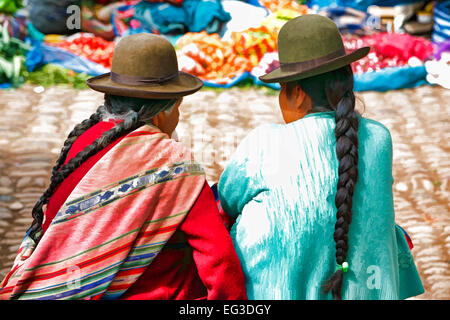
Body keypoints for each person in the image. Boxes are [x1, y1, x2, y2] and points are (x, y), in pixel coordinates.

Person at [0, 33, 247, 300]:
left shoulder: (82, 141)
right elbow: (218, 257)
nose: (179, 116)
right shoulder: (170, 163)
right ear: (163, 112)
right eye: (178, 107)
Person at [218, 14, 424, 300]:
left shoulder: (263, 142)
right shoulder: (379, 137)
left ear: (298, 94)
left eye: (282, 90)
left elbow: (227, 202)